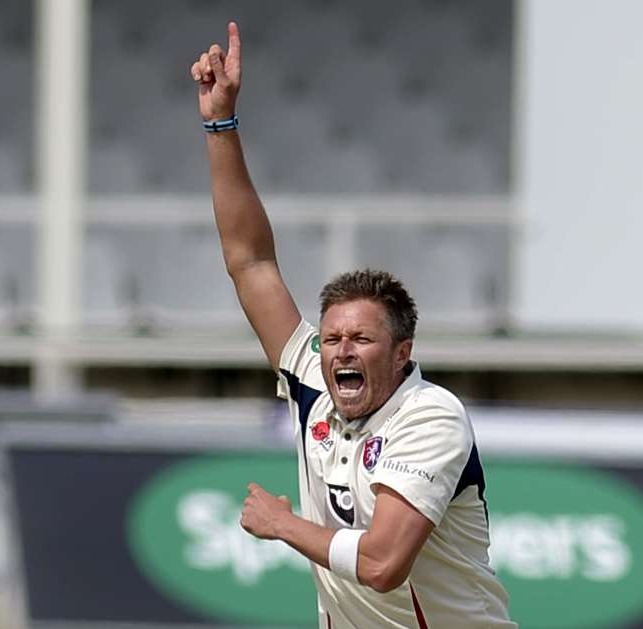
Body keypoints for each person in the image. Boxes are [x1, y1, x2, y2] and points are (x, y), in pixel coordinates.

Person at [190, 22, 516, 629]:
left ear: (401, 352)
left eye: (362, 339)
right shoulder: (315, 378)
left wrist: (283, 524)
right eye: (332, 336)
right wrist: (220, 125)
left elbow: (384, 563)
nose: (340, 350)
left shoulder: (429, 416)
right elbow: (251, 262)